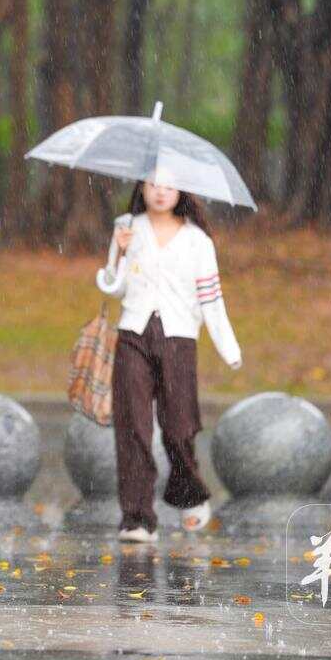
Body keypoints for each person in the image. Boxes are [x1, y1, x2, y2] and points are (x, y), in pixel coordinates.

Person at [101, 172, 242, 543]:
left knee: (179, 427)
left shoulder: (197, 240)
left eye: (168, 184)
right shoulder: (128, 227)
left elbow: (211, 298)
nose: (160, 191)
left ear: (180, 190)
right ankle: (137, 518)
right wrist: (118, 249)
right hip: (133, 333)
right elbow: (112, 287)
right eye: (151, 183)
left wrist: (228, 346)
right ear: (141, 189)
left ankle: (190, 493)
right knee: (133, 425)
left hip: (179, 338)